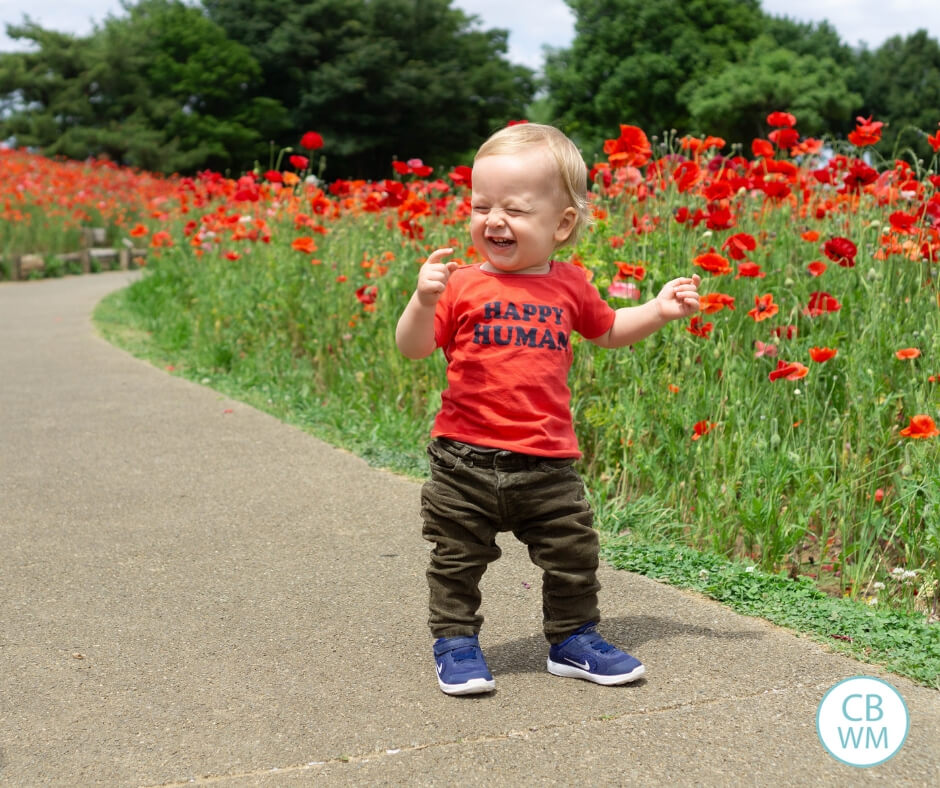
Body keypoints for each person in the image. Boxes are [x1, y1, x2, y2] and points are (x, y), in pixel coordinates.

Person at [395, 122, 700, 696]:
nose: (493, 220)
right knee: (457, 557)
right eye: (481, 205)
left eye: (514, 208)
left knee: (573, 553)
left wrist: (657, 309)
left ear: (562, 224)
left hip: (547, 461)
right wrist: (421, 299)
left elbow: (608, 329)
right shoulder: (459, 285)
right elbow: (412, 347)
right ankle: (456, 642)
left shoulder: (570, 285)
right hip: (464, 460)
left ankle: (572, 638)